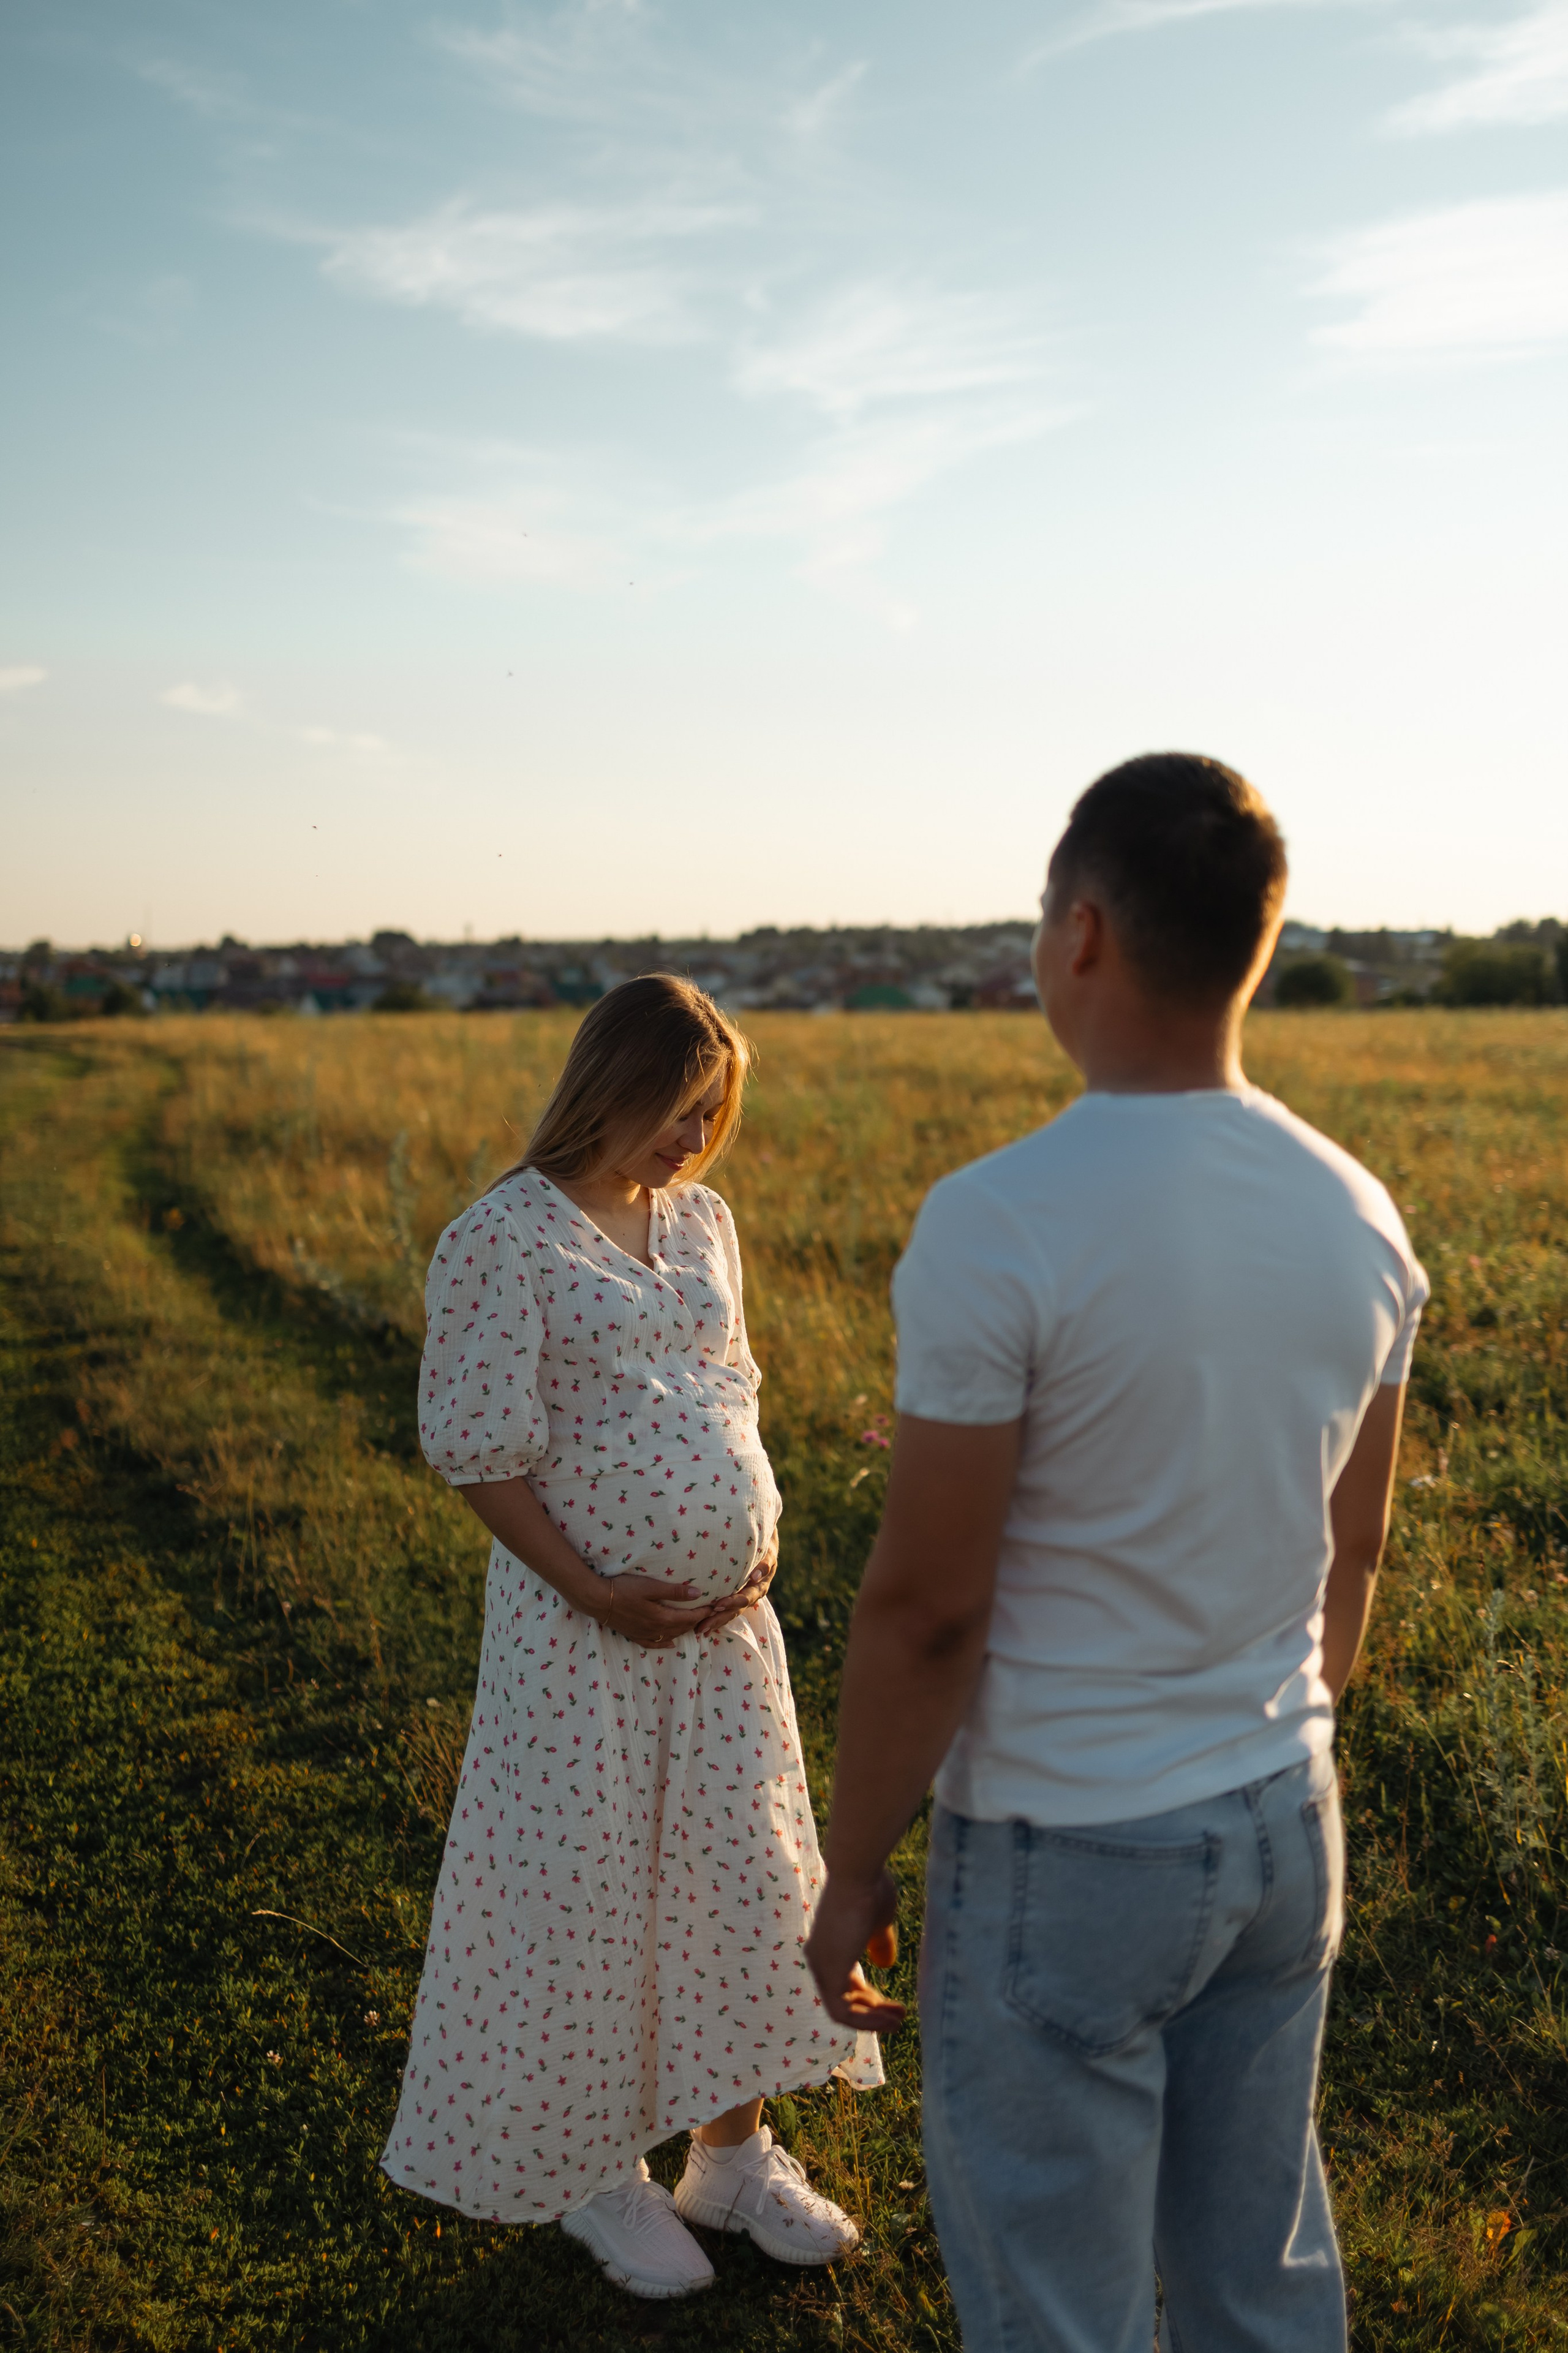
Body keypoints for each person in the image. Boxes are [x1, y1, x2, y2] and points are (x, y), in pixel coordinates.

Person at [806, 753, 1428, 2353]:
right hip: (1285, 1817)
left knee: (1062, 2314)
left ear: (1081, 933)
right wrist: (1271, 1727)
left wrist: (858, 1855)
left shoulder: (1003, 1219)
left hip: (1072, 1839)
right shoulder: (1361, 1215)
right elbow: (1354, 1553)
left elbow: (931, 1607)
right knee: (1259, 2281)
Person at [382, 974, 880, 2301]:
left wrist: (755, 1519)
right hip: (580, 1642)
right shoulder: (501, 1237)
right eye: (675, 1104)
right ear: (608, 1081)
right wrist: (597, 1589)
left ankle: (730, 2154)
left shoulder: (705, 1220)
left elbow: (732, 1379)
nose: (691, 1135)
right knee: (589, 1888)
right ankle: (598, 2172)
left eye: (712, 1110)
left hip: (725, 1639)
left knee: (737, 1872)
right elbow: (478, 1452)